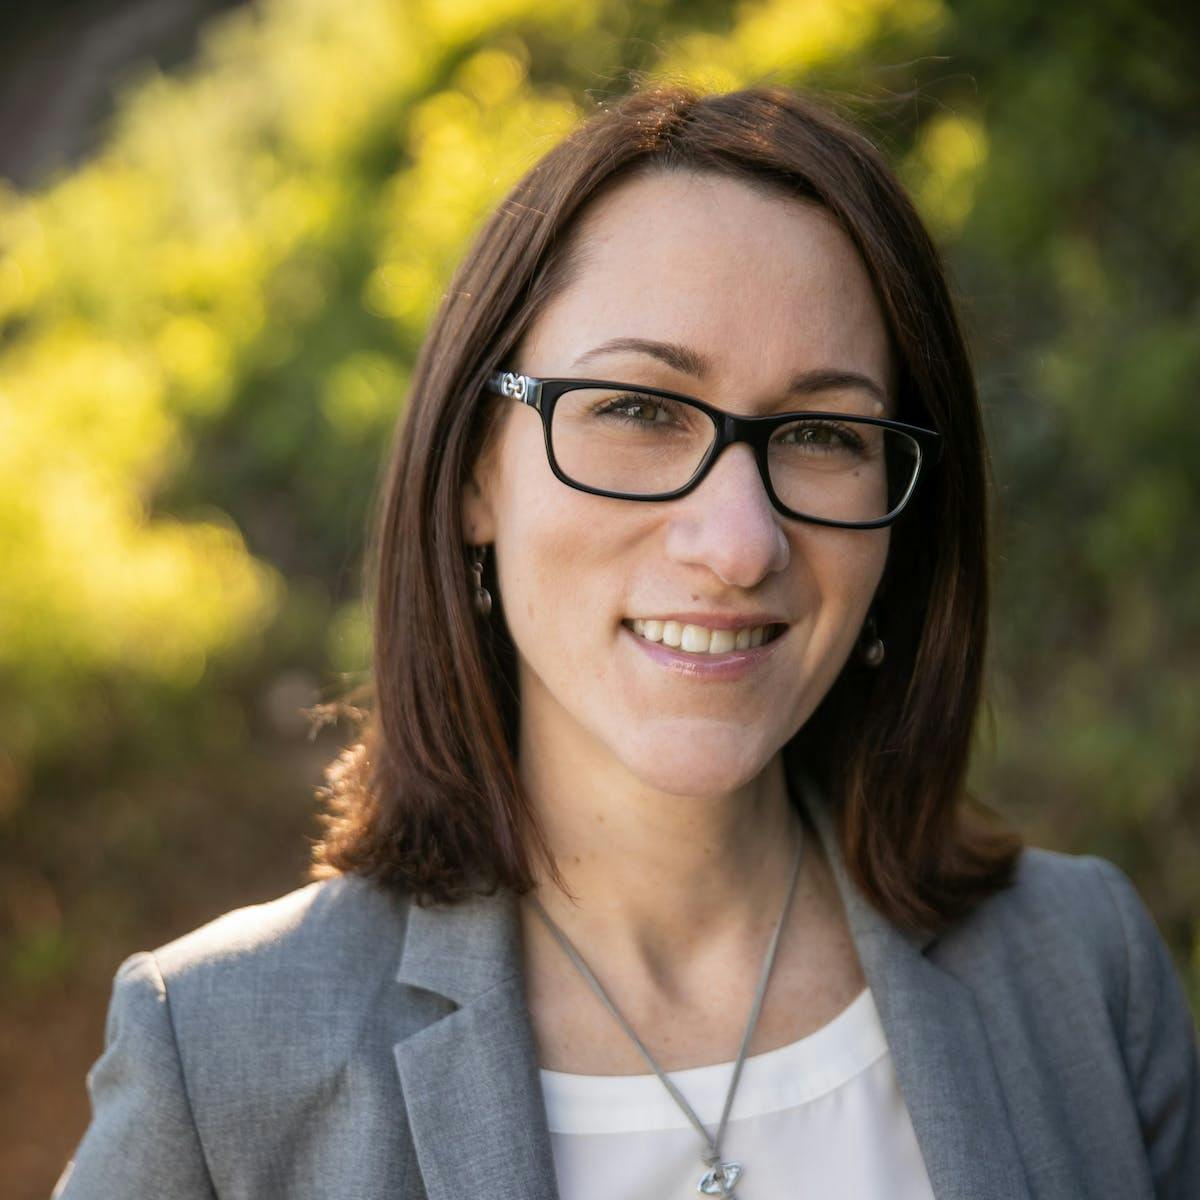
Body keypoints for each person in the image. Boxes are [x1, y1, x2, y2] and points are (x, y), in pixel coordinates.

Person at [53, 82, 1199, 1200]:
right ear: (471, 475)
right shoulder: (219, 1056)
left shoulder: (1083, 967)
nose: (741, 543)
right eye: (641, 410)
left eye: (820, 434)